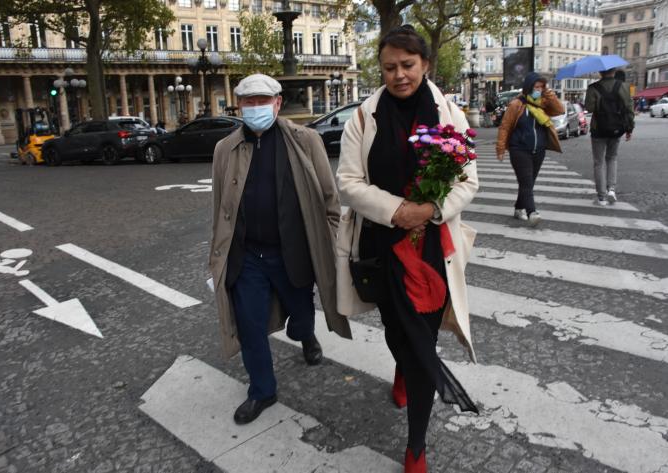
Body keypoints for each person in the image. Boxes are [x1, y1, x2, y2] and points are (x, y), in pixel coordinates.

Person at [336, 25, 478, 473]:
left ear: (426, 65)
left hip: (432, 248)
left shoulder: (451, 113)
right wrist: (399, 211)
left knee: (423, 339)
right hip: (383, 244)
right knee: (399, 332)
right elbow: (348, 183)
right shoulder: (364, 116)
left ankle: (416, 446)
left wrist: (432, 209)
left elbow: (468, 181)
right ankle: (403, 365)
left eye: (407, 66)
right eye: (389, 67)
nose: (399, 75)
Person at [209, 73, 352, 425]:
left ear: (277, 103)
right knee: (250, 325)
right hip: (248, 256)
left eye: (263, 101)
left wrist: (333, 246)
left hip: (294, 252)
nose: (255, 107)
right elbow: (220, 211)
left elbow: (329, 200)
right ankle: (262, 390)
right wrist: (216, 258)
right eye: (248, 101)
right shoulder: (225, 149)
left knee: (302, 312)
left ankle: (305, 335)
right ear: (239, 105)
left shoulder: (306, 140)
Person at [496, 72, 564, 225]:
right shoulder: (516, 104)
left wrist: (550, 94)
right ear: (528, 87)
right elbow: (505, 127)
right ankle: (532, 211)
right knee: (526, 182)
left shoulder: (544, 104)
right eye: (536, 87)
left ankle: (519, 208)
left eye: (541, 87)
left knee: (529, 182)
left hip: (538, 150)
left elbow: (560, 110)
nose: (538, 89)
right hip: (519, 149)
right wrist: (500, 149)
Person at [584, 68, 635, 206]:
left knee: (598, 162)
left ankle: (601, 197)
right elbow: (629, 109)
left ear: (600, 73)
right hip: (617, 128)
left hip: (598, 129)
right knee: (612, 158)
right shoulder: (624, 87)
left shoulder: (593, 87)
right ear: (614, 72)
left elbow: (589, 108)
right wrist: (629, 128)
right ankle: (611, 189)